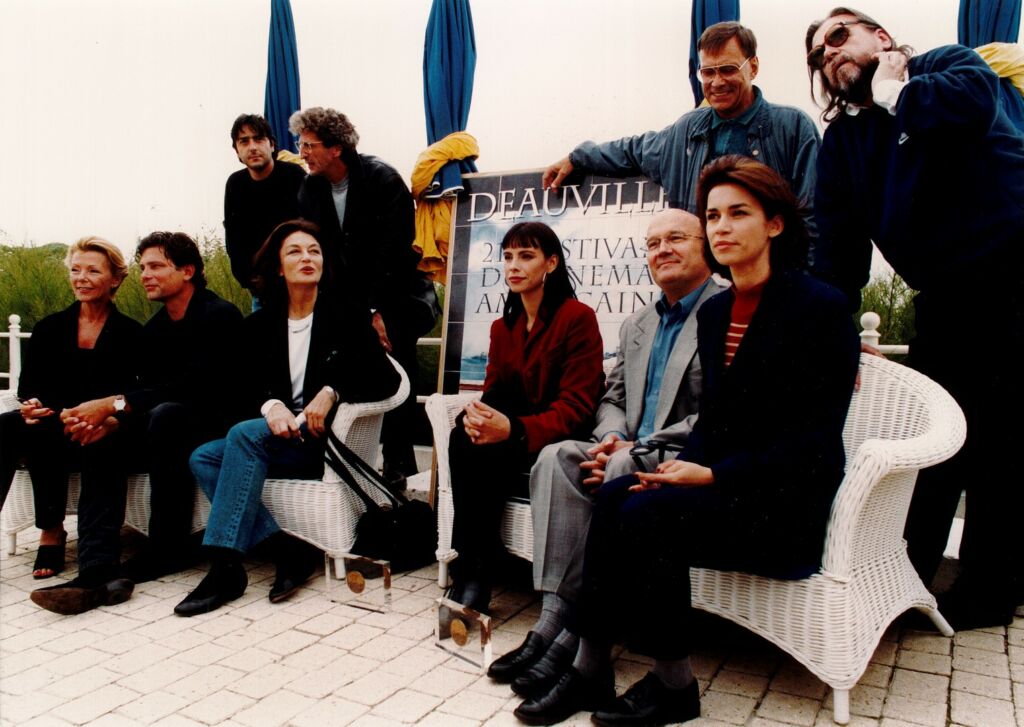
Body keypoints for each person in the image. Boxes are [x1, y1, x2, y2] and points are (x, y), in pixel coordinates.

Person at [514, 157, 859, 726]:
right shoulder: (718, 312)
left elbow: (814, 441)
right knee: (622, 491)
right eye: (714, 215)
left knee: (651, 514)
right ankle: (590, 666)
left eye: (738, 214)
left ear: (774, 224)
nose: (721, 227)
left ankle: (674, 686)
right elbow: (716, 423)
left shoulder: (819, 309)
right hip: (720, 486)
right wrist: (680, 467)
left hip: (782, 500)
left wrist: (713, 474)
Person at [806, 7, 1024, 630]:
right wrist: (832, 328)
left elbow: (970, 110)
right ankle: (905, 578)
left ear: (881, 37)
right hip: (946, 296)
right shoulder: (844, 140)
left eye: (839, 38)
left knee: (1003, 440)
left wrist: (894, 88)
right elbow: (839, 249)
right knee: (932, 441)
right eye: (820, 54)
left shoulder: (947, 68)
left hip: (1014, 276)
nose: (829, 55)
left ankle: (990, 590)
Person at [487, 209, 728, 694]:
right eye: (653, 243)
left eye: (676, 239)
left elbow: (722, 413)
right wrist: (612, 436)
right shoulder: (639, 321)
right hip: (625, 444)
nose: (662, 250)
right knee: (556, 457)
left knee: (618, 466)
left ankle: (576, 635)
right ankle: (554, 614)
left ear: (705, 245)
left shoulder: (728, 310)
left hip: (685, 453)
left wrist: (636, 447)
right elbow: (612, 396)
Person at [174, 220, 400, 616]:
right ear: (279, 267)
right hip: (275, 436)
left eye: (314, 250)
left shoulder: (345, 316)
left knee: (242, 436)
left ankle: (226, 568)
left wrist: (331, 392)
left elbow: (384, 377)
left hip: (321, 441)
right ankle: (288, 549)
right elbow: (238, 386)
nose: (307, 257)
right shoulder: (259, 325)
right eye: (295, 251)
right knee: (203, 457)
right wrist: (270, 406)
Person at [60, 232, 245, 583]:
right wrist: (112, 421)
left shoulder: (219, 315)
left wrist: (114, 404)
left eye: (156, 266)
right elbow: (146, 389)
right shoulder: (156, 328)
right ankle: (96, 565)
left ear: (187, 270)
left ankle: (167, 548)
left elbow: (197, 386)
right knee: (104, 434)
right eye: (143, 267)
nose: (145, 274)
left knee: (166, 416)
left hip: (221, 423)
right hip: (171, 425)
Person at [542, 21, 820, 247]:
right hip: (701, 284)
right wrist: (577, 158)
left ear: (753, 67)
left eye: (728, 69)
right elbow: (632, 150)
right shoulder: (684, 132)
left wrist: (800, 288)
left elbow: (813, 217)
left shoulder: (793, 128)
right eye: (707, 72)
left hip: (771, 284)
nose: (717, 82)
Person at [447, 221, 605, 614]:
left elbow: (578, 405)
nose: (514, 265)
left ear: (551, 264)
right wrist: (478, 417)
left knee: (491, 449)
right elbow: (494, 392)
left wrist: (514, 429)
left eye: (526, 256)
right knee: (463, 437)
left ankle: (474, 571)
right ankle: (476, 563)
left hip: (557, 437)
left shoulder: (577, 317)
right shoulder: (505, 327)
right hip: (513, 433)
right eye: (508, 256)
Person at [289, 106, 439, 489]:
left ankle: (398, 462)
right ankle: (341, 463)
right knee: (338, 363)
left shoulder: (383, 179)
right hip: (348, 298)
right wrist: (354, 311)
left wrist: (374, 310)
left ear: (336, 147)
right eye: (300, 144)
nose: (302, 152)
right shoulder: (310, 188)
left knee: (396, 360)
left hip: (398, 294)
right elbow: (320, 253)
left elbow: (391, 254)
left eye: (309, 145)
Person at [13, 237, 143, 614]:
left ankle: (96, 567)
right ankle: (50, 532)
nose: (81, 278)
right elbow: (29, 390)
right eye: (75, 270)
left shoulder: (132, 334)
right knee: (9, 426)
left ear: (115, 279)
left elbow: (137, 395)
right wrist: (32, 407)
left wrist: (110, 416)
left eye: (92, 270)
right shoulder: (50, 328)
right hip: (54, 427)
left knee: (100, 440)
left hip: (105, 430)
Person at [223, 113, 305, 303]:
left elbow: (311, 229)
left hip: (300, 283)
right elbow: (234, 242)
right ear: (237, 151)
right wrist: (250, 281)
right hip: (262, 290)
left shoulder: (294, 176)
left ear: (272, 144)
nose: (252, 147)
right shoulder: (236, 184)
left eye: (259, 139)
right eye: (244, 141)